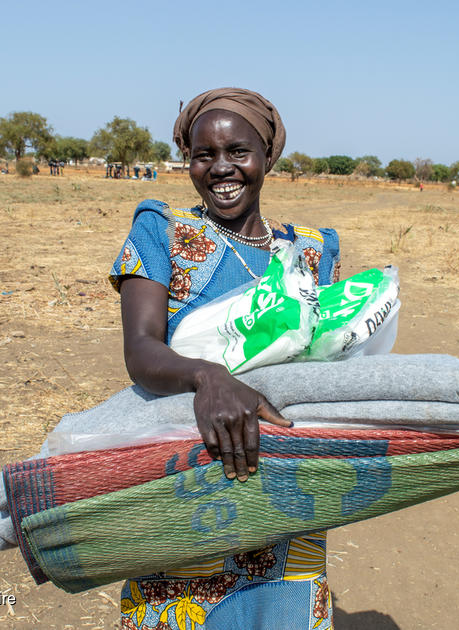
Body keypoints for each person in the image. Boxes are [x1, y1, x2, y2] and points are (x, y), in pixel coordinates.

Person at [109, 88, 340, 629]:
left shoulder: (311, 251)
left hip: (286, 488)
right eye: (203, 154)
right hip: (188, 480)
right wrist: (207, 377)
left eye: (238, 151)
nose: (221, 168)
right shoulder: (163, 232)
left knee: (282, 610)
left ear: (267, 156)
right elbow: (141, 348)